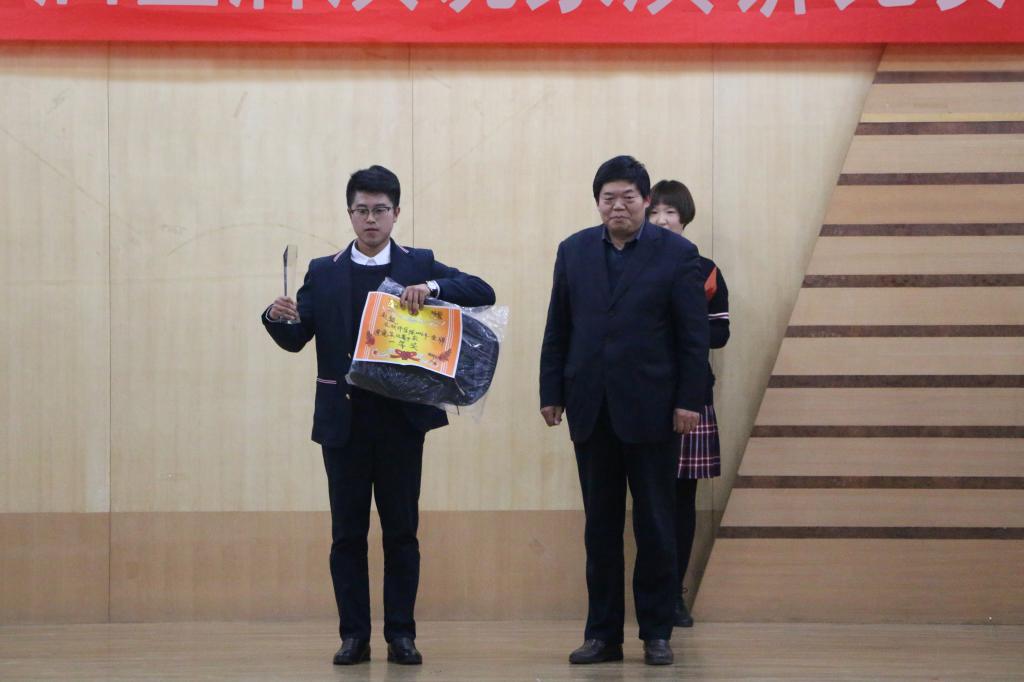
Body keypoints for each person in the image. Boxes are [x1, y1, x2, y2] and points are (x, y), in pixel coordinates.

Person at [262, 165, 495, 666]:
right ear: (350, 213)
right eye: (362, 210)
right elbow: (296, 337)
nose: (371, 219)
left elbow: (482, 290)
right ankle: (354, 637)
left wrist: (432, 288)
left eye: (380, 210)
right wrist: (275, 317)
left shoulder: (418, 263)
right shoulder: (324, 271)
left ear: (396, 212)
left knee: (401, 534)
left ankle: (401, 635)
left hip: (400, 424)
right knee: (347, 536)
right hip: (342, 424)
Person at [539, 156, 709, 666]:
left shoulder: (678, 254)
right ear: (598, 202)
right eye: (608, 198)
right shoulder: (573, 251)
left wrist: (689, 400)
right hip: (591, 408)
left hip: (655, 410)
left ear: (646, 201)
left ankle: (656, 632)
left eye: (628, 197)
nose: (618, 206)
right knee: (600, 528)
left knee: (656, 524)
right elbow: (558, 327)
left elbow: (693, 337)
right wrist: (550, 392)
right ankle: (602, 635)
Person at [648, 179, 730, 628]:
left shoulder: (705, 269)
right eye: (655, 212)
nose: (662, 221)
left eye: (671, 213)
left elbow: (720, 332)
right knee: (648, 499)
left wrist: (681, 325)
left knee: (682, 501)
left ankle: (673, 595)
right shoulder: (632, 263)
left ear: (685, 218)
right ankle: (649, 596)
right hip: (643, 396)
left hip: (691, 396)